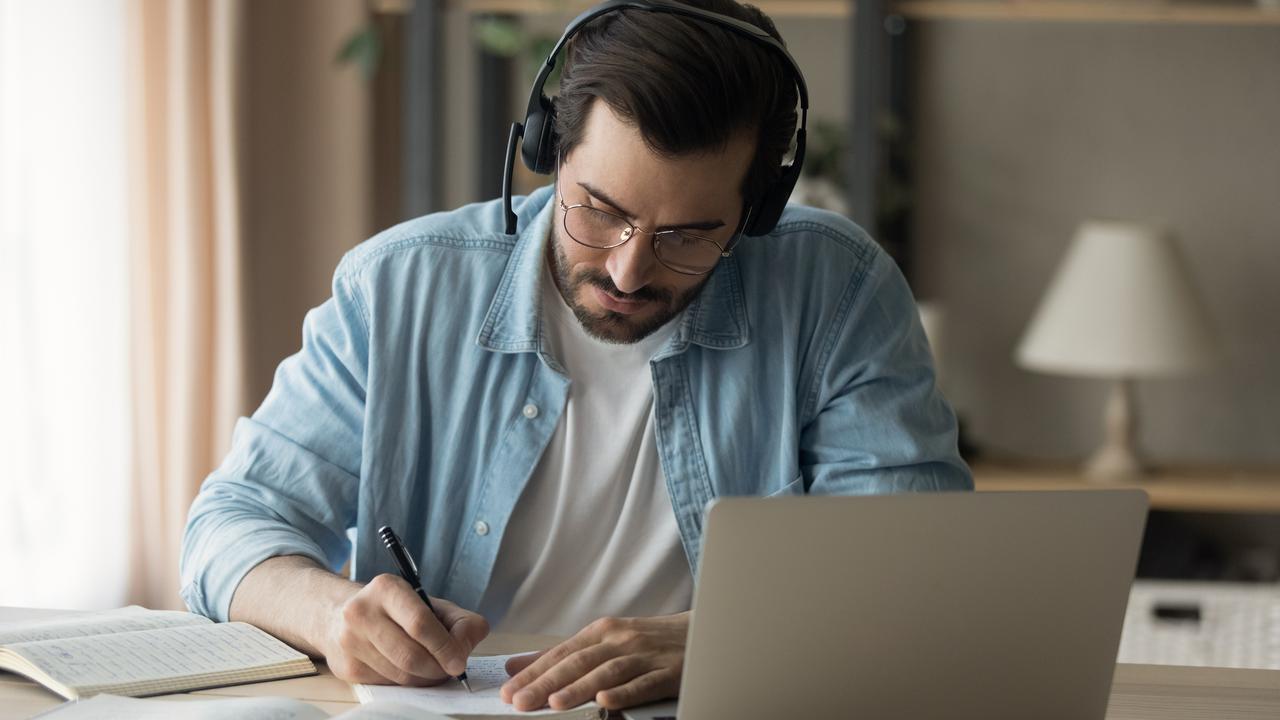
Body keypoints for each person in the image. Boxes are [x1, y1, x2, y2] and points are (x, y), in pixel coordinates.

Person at [180, 0, 971, 712]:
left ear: (755, 211)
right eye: (600, 210)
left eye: (687, 235)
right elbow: (228, 527)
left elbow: (915, 572)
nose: (629, 269)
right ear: (549, 152)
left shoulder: (839, 291)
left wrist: (714, 639)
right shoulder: (399, 288)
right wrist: (331, 613)